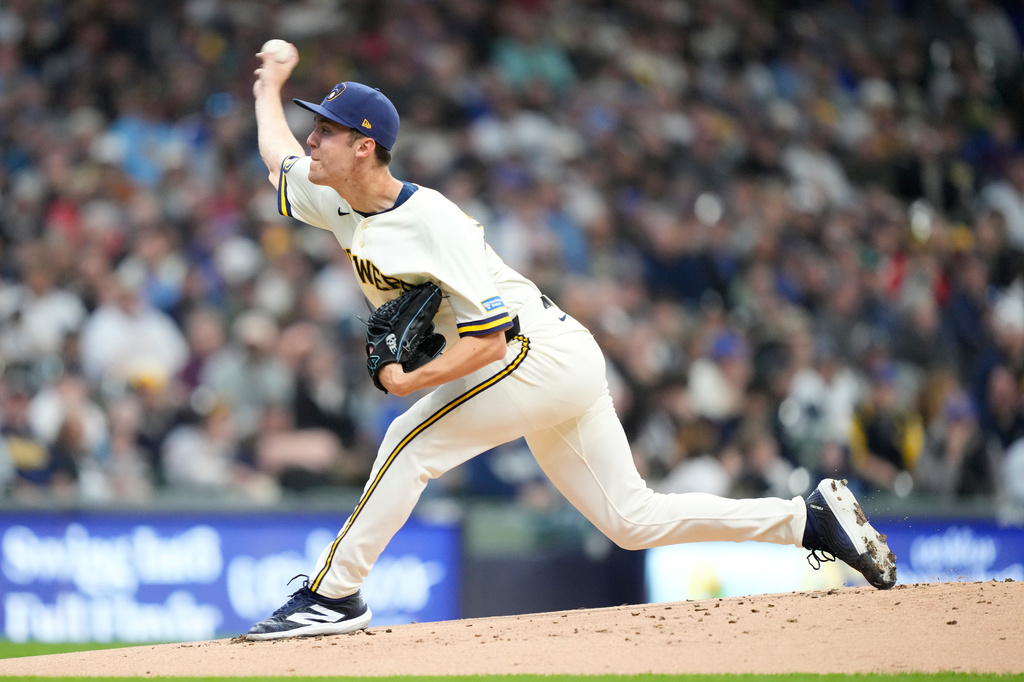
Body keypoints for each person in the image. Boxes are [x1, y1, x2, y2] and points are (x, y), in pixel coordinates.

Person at [246, 42, 897, 640]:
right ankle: (808, 519)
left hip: (533, 354)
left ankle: (333, 596)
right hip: (561, 358)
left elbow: (492, 342)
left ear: (365, 147)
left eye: (326, 130)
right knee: (631, 519)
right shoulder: (332, 194)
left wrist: (409, 382)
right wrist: (268, 86)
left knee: (406, 441)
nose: (312, 137)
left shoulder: (432, 222)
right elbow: (278, 154)